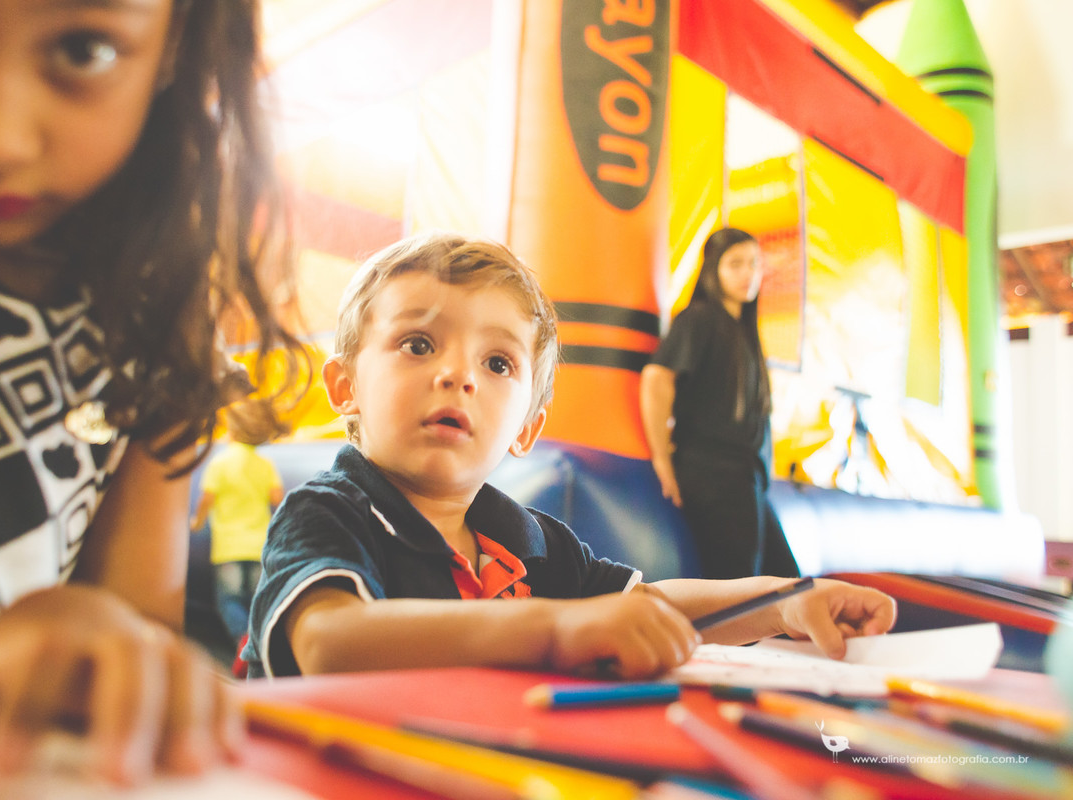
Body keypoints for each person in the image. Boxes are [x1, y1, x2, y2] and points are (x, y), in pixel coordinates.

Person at [0, 0, 299, 784]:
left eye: (84, 49)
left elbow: (136, 624)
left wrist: (87, 632)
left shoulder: (156, 324)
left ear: (174, 49)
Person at [242, 231, 895, 680]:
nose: (458, 376)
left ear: (527, 428)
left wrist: (782, 601)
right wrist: (554, 630)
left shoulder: (529, 542)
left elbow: (652, 604)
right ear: (345, 387)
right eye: (418, 344)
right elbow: (329, 641)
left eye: (497, 362)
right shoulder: (329, 512)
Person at [640, 227, 800, 580]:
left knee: (787, 582)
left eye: (755, 264)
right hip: (715, 475)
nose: (749, 274)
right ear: (713, 270)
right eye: (736, 264)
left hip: (747, 479)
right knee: (744, 586)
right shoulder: (700, 319)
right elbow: (657, 378)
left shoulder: (743, 330)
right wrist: (662, 460)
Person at [191, 397, 286, 649]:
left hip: (228, 548)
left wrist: (197, 522)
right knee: (258, 598)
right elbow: (277, 497)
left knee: (229, 599)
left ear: (230, 431)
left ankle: (242, 640)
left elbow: (206, 499)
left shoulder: (220, 463)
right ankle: (258, 642)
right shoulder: (265, 464)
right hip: (259, 546)